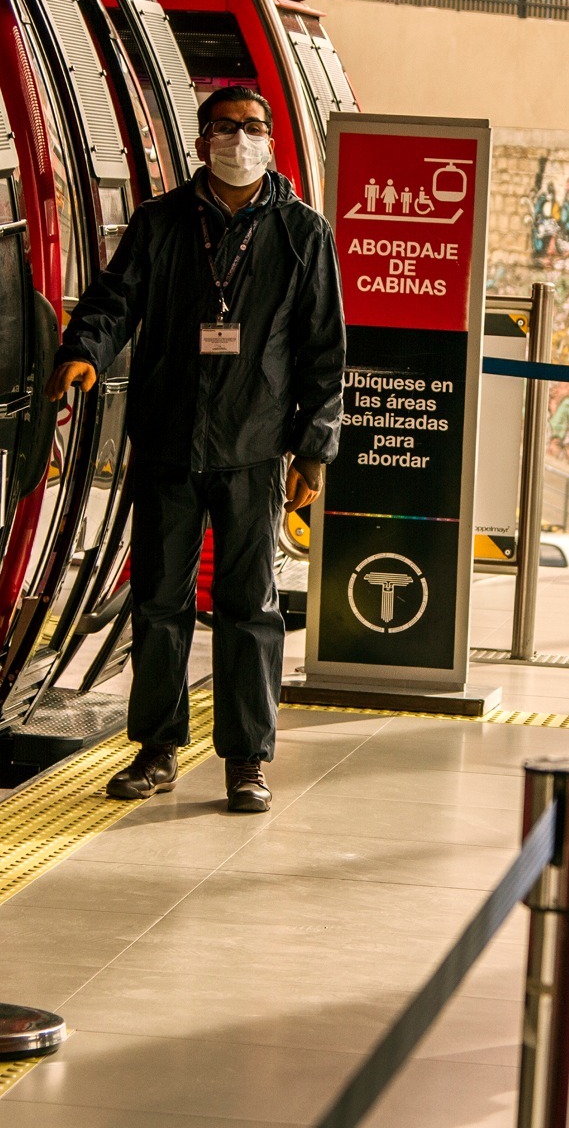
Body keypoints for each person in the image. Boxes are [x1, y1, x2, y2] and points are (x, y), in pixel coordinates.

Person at [46, 86, 345, 813]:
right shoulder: (161, 222)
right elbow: (113, 300)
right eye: (224, 127)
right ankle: (156, 749)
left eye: (252, 127)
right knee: (158, 603)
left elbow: (323, 347)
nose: (238, 139)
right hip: (168, 443)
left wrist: (312, 448)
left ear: (268, 139)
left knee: (251, 609)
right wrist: (84, 351)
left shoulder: (302, 232)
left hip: (254, 446)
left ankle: (247, 759)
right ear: (202, 139)